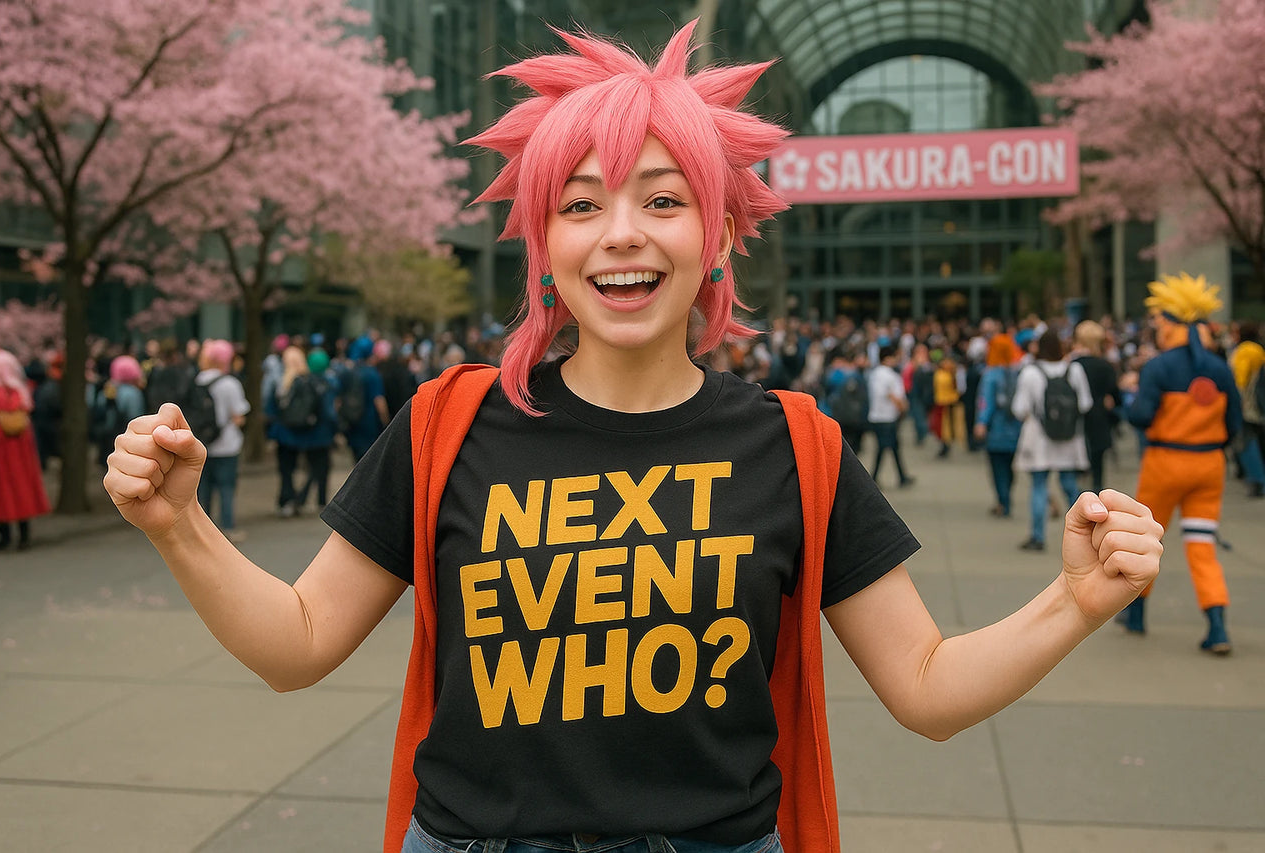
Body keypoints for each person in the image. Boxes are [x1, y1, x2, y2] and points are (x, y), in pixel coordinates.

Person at [103, 22, 1163, 853]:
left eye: (662, 199)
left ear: (717, 234)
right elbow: (298, 643)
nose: (621, 234)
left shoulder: (795, 447)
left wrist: (1072, 601)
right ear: (543, 243)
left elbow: (925, 685)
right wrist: (177, 524)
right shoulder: (445, 425)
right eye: (579, 205)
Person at [1119, 273, 1239, 654]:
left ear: (1170, 324)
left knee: (1146, 541)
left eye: (1158, 322)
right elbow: (1234, 424)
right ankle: (1217, 624)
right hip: (1209, 465)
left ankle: (1136, 614)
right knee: (1202, 544)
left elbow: (1141, 416)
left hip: (1164, 463)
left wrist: (1129, 397)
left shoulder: (1158, 367)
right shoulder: (1219, 368)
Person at [1011, 329, 1094, 551]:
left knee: (1039, 486)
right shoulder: (1074, 370)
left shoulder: (1030, 372)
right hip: (1069, 439)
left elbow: (1020, 408)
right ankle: (1087, 532)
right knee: (1070, 485)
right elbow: (1085, 404)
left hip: (1039, 439)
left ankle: (1038, 536)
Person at [0, 348, 51, 551]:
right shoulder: (22, 392)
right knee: (22, 489)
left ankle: (4, 536)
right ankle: (24, 535)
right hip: (20, 452)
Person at [194, 339, 250, 542]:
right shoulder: (230, 384)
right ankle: (228, 527)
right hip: (227, 444)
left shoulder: (197, 381)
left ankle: (203, 531)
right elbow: (239, 415)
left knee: (203, 489)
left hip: (201, 443)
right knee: (226, 487)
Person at [266, 345, 332, 516]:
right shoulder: (311, 381)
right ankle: (302, 498)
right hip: (306, 432)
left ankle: (287, 501)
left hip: (284, 433)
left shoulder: (280, 382)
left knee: (286, 470)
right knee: (312, 467)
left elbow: (270, 407)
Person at [973, 333, 1023, 518]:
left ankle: (1004, 501)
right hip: (1015, 430)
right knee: (1010, 467)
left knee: (998, 468)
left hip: (996, 430)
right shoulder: (1017, 373)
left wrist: (981, 423)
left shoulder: (990, 375)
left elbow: (986, 402)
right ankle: (1007, 497)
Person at [1071, 321, 1121, 495]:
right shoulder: (1105, 366)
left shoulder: (1072, 365)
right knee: (1098, 469)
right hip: (1099, 419)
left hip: (1076, 420)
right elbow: (1116, 396)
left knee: (1077, 468)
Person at [866, 344, 913, 488]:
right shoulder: (885, 374)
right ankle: (874, 478)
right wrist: (901, 406)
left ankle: (900, 476)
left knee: (892, 447)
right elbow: (888, 393)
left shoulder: (875, 374)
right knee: (884, 447)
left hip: (881, 416)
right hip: (885, 417)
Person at [1227, 320, 1265, 498]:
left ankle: (1257, 479)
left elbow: (1239, 380)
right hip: (1256, 404)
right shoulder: (1258, 349)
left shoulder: (1245, 350)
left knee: (1245, 442)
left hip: (1246, 405)